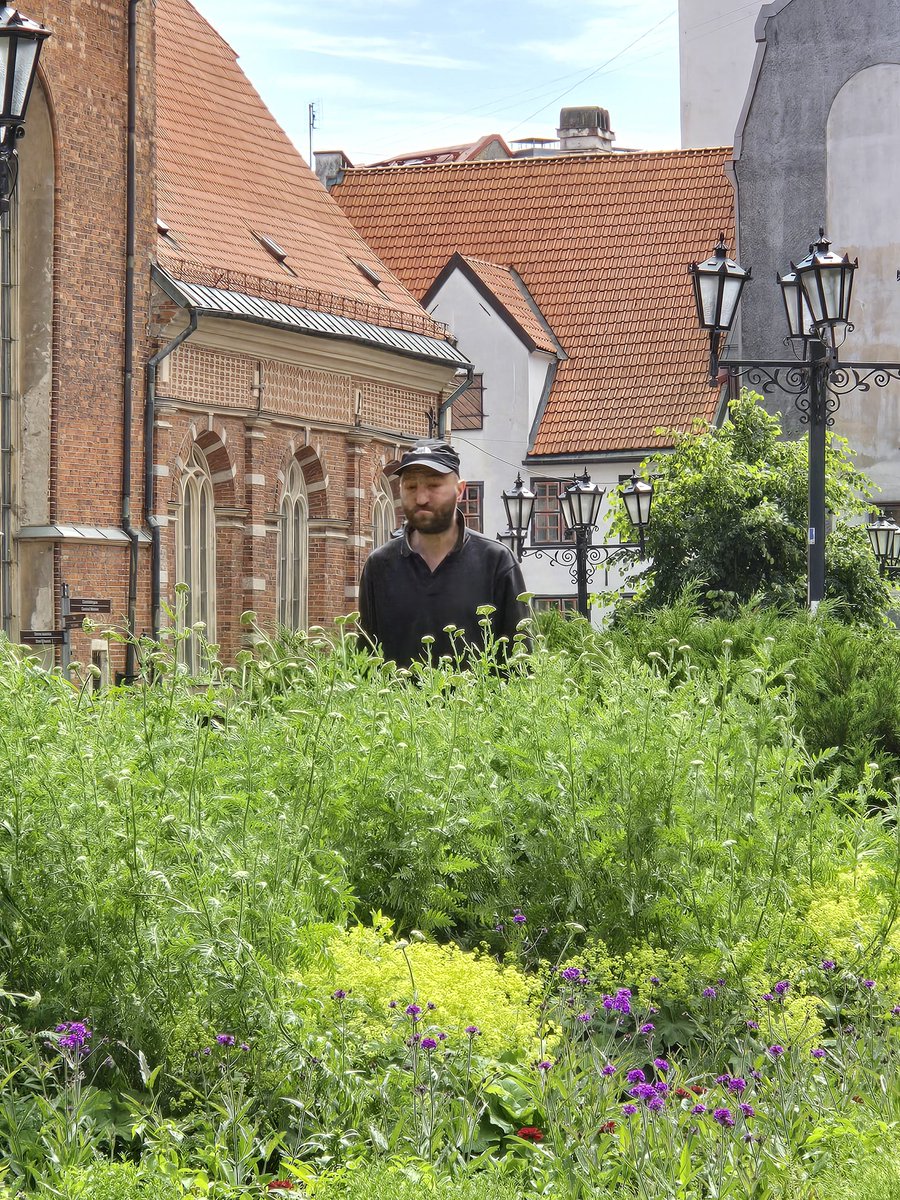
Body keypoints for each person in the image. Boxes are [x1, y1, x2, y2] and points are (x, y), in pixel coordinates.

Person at [358, 440, 529, 667]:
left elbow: (519, 661)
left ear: (460, 490)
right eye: (410, 487)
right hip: (398, 703)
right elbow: (365, 661)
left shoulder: (495, 561)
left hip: (477, 702)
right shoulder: (380, 565)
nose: (421, 498)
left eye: (434, 485)